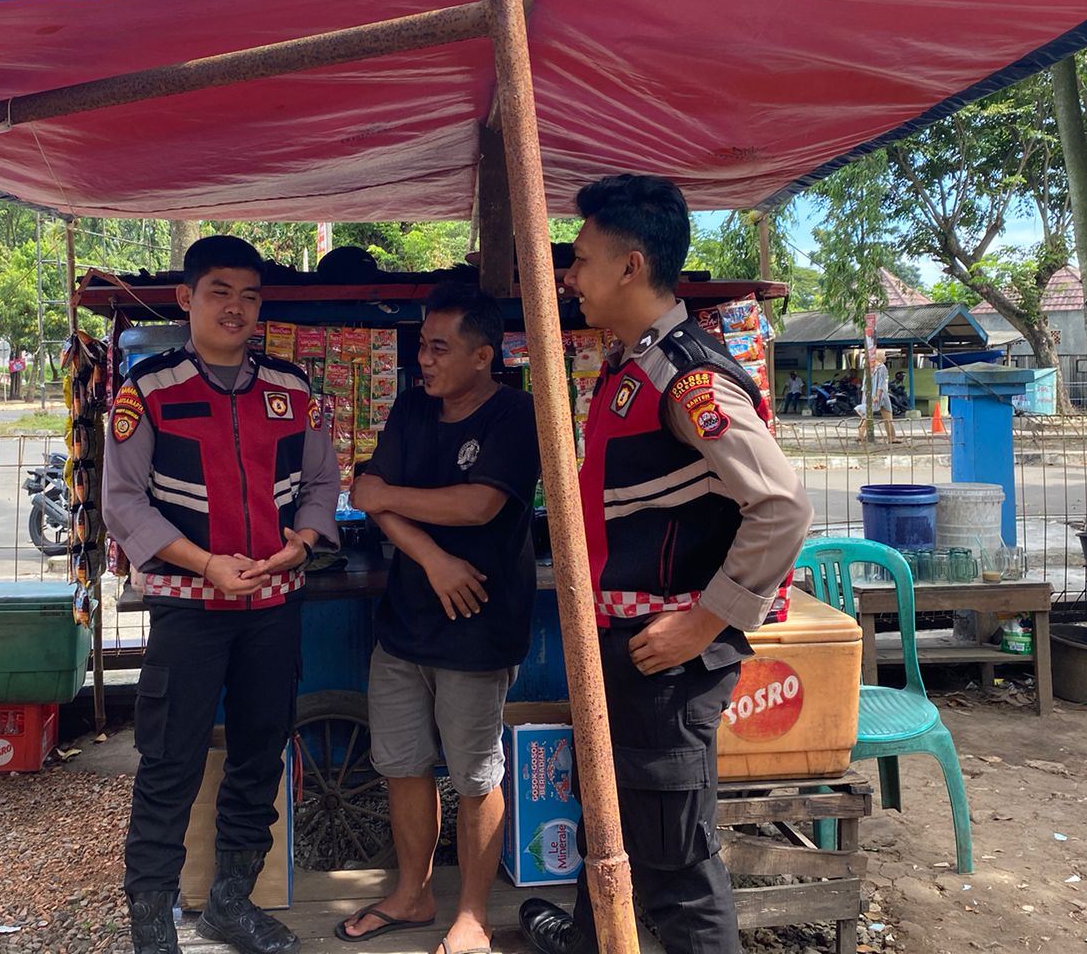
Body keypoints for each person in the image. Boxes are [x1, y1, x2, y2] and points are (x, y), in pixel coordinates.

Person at [518, 174, 814, 954]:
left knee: (676, 862)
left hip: (669, 659)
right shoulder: (631, 366)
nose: (569, 277)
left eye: (581, 260)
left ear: (630, 266)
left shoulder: (687, 378)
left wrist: (707, 620)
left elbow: (782, 506)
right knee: (614, 823)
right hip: (631, 649)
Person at [102, 235, 340, 954]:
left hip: (274, 607)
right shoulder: (148, 389)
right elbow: (122, 501)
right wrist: (206, 564)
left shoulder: (293, 388)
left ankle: (231, 904)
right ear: (187, 299)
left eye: (249, 295)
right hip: (189, 608)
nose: (236, 308)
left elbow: (322, 483)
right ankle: (151, 923)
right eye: (219, 292)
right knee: (169, 759)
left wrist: (303, 542)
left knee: (260, 755)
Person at [336, 283, 540, 954]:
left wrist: (388, 497)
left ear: (484, 356)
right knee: (403, 765)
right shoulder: (411, 407)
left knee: (477, 776)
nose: (423, 360)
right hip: (406, 621)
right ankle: (413, 894)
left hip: (479, 625)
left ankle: (473, 915)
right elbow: (365, 495)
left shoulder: (516, 414)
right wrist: (432, 560)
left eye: (439, 348)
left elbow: (478, 506)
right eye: (422, 346)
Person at [856, 351, 898, 444]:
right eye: (884, 355)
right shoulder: (882, 368)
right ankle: (891, 437)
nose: (885, 357)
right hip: (881, 394)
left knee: (867, 414)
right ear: (880, 357)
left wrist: (865, 395)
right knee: (887, 415)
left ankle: (860, 435)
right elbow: (881, 384)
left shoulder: (868, 367)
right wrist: (878, 396)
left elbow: (865, 383)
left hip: (868, 393)